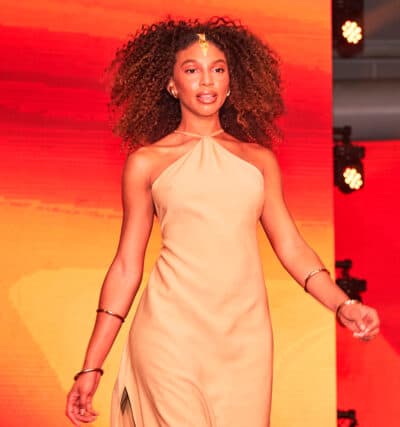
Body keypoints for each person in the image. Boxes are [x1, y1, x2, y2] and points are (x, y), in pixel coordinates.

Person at [65, 16, 380, 427]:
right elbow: (126, 266)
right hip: (169, 335)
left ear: (231, 82)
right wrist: (92, 365)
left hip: (245, 341)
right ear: (171, 84)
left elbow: (292, 247)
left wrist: (342, 304)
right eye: (191, 70)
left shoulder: (259, 161)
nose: (206, 81)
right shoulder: (146, 162)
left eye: (217, 69)